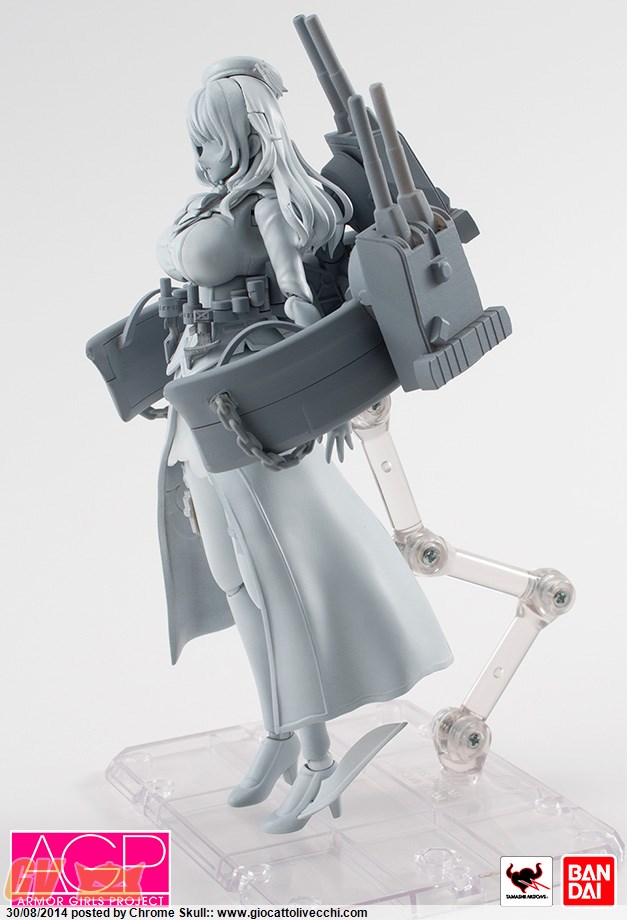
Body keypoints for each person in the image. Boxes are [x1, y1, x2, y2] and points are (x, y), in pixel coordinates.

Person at [156, 56, 453, 834]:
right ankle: (280, 734)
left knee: (279, 584)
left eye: (210, 139)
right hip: (196, 400)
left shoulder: (269, 211)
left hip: (247, 407)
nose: (200, 154)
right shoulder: (206, 204)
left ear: (245, 134)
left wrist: (316, 401)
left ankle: (318, 757)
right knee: (233, 579)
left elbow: (299, 310)